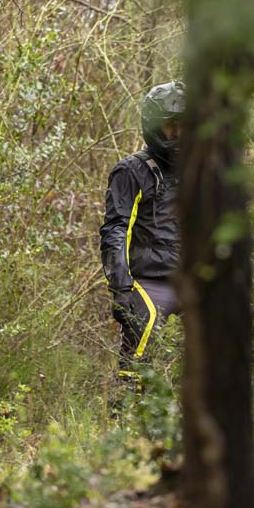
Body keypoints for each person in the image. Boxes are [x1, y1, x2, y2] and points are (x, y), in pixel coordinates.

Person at [99, 80, 184, 381]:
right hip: (148, 281)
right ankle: (128, 405)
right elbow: (115, 229)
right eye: (172, 127)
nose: (180, 135)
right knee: (142, 329)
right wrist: (121, 288)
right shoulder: (132, 171)